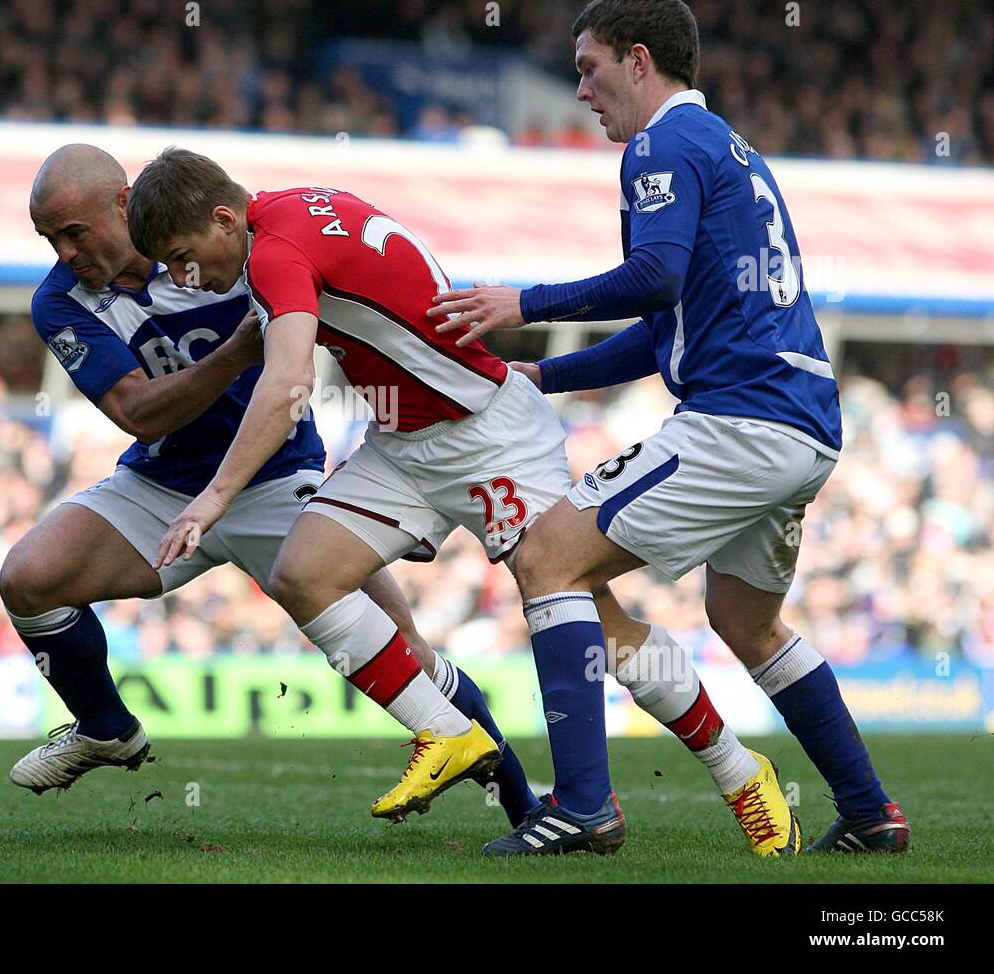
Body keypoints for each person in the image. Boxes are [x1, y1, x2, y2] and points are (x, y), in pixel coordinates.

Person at [127, 147, 799, 854]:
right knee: (303, 572)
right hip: (406, 444)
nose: (183, 277)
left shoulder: (274, 250)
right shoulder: (296, 206)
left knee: (599, 625)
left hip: (486, 437)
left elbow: (289, 376)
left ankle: (740, 771)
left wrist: (214, 496)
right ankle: (445, 730)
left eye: (181, 256)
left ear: (225, 219)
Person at [428, 0, 907, 855]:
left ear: (638, 60)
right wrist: (544, 373)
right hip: (802, 426)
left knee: (546, 556)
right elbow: (666, 327)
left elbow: (653, 278)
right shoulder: (727, 147)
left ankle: (582, 806)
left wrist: (521, 300)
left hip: (740, 421)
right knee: (746, 620)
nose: (581, 90)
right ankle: (872, 811)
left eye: (589, 67)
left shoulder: (660, 144)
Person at [0, 145, 540, 826]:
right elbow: (136, 410)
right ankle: (106, 726)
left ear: (122, 204)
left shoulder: (229, 240)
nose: (65, 251)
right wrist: (234, 355)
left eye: (73, 232)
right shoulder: (59, 300)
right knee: (27, 578)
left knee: (408, 650)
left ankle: (529, 808)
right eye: (50, 238)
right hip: (163, 485)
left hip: (277, 476)